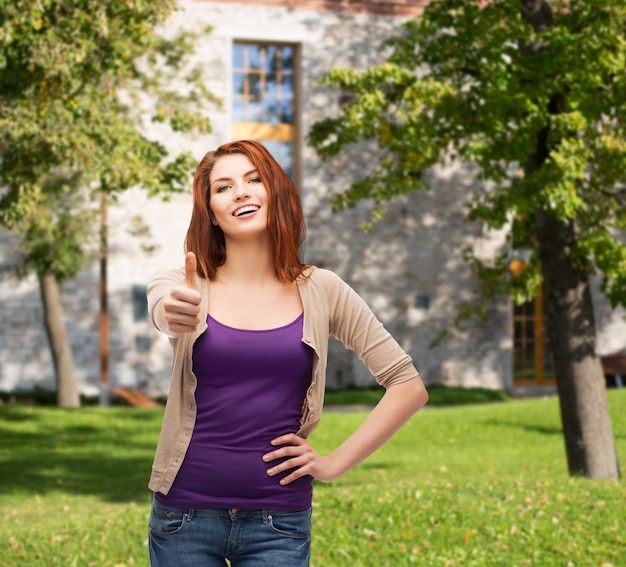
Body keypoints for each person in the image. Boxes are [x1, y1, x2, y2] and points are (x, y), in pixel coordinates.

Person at [146, 139, 428, 566]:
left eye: (253, 179)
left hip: (278, 523)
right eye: (223, 187)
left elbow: (408, 386)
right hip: (183, 517)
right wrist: (172, 313)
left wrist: (333, 463)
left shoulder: (322, 289)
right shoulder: (184, 284)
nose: (240, 192)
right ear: (212, 214)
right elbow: (164, 308)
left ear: (274, 192)